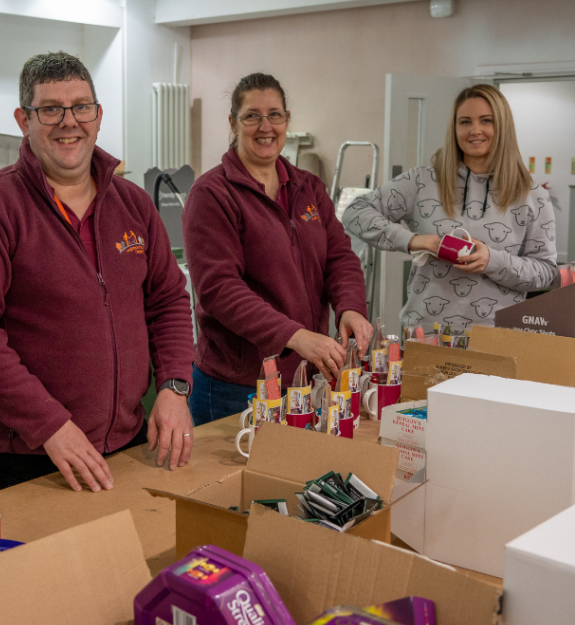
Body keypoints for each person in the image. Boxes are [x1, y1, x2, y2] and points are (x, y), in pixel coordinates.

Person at [0, 51, 195, 493]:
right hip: (35, 456)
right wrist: (51, 425)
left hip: (129, 441)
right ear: (24, 119)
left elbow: (168, 299)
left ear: (98, 116)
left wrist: (174, 387)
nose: (69, 121)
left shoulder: (133, 203)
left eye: (81, 107)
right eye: (51, 110)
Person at [183, 72, 371, 426]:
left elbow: (339, 258)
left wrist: (351, 309)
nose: (264, 126)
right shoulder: (212, 195)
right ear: (233, 124)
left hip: (303, 375)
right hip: (237, 385)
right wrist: (294, 336)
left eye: (275, 115)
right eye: (252, 115)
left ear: (287, 121)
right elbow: (220, 289)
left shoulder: (308, 188)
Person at [343, 83, 556, 331]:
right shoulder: (422, 180)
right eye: (465, 122)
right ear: (454, 129)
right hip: (425, 335)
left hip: (498, 340)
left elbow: (546, 273)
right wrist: (415, 241)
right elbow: (354, 212)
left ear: (503, 126)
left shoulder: (532, 194)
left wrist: (492, 260)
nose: (475, 130)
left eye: (486, 120)